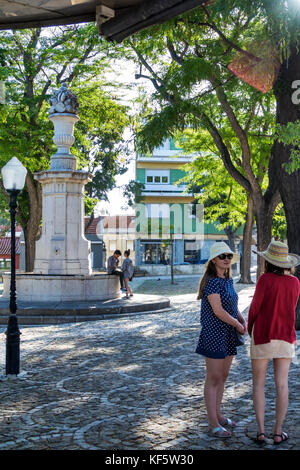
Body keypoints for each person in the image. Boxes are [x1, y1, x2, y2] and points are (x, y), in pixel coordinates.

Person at [248, 240, 300, 445]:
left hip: (263, 335)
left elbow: (254, 308)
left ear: (268, 261)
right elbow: (291, 308)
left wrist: (250, 328)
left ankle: (261, 431)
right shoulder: (295, 282)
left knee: (259, 384)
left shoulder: (264, 280)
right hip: (285, 336)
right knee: (282, 384)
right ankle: (278, 432)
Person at [195, 241, 247, 438]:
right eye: (222, 256)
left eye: (229, 256)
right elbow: (218, 311)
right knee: (213, 377)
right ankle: (212, 423)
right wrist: (237, 324)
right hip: (214, 334)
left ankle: (218, 414)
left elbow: (233, 306)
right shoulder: (212, 282)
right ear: (214, 260)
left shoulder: (228, 280)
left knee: (223, 376)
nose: (227, 259)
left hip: (228, 335)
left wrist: (242, 320)